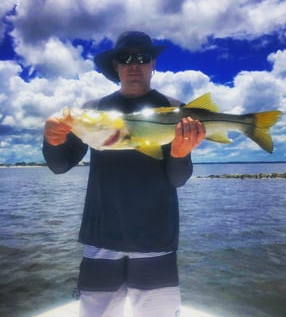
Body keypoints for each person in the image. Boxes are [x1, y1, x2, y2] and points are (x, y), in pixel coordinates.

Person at [43, 31, 205, 317]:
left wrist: (180, 153)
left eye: (142, 58)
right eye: (125, 58)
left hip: (156, 239)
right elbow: (60, 165)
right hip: (101, 237)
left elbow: (177, 179)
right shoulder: (92, 112)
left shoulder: (177, 110)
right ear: (115, 66)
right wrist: (52, 140)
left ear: (153, 64)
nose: (134, 64)